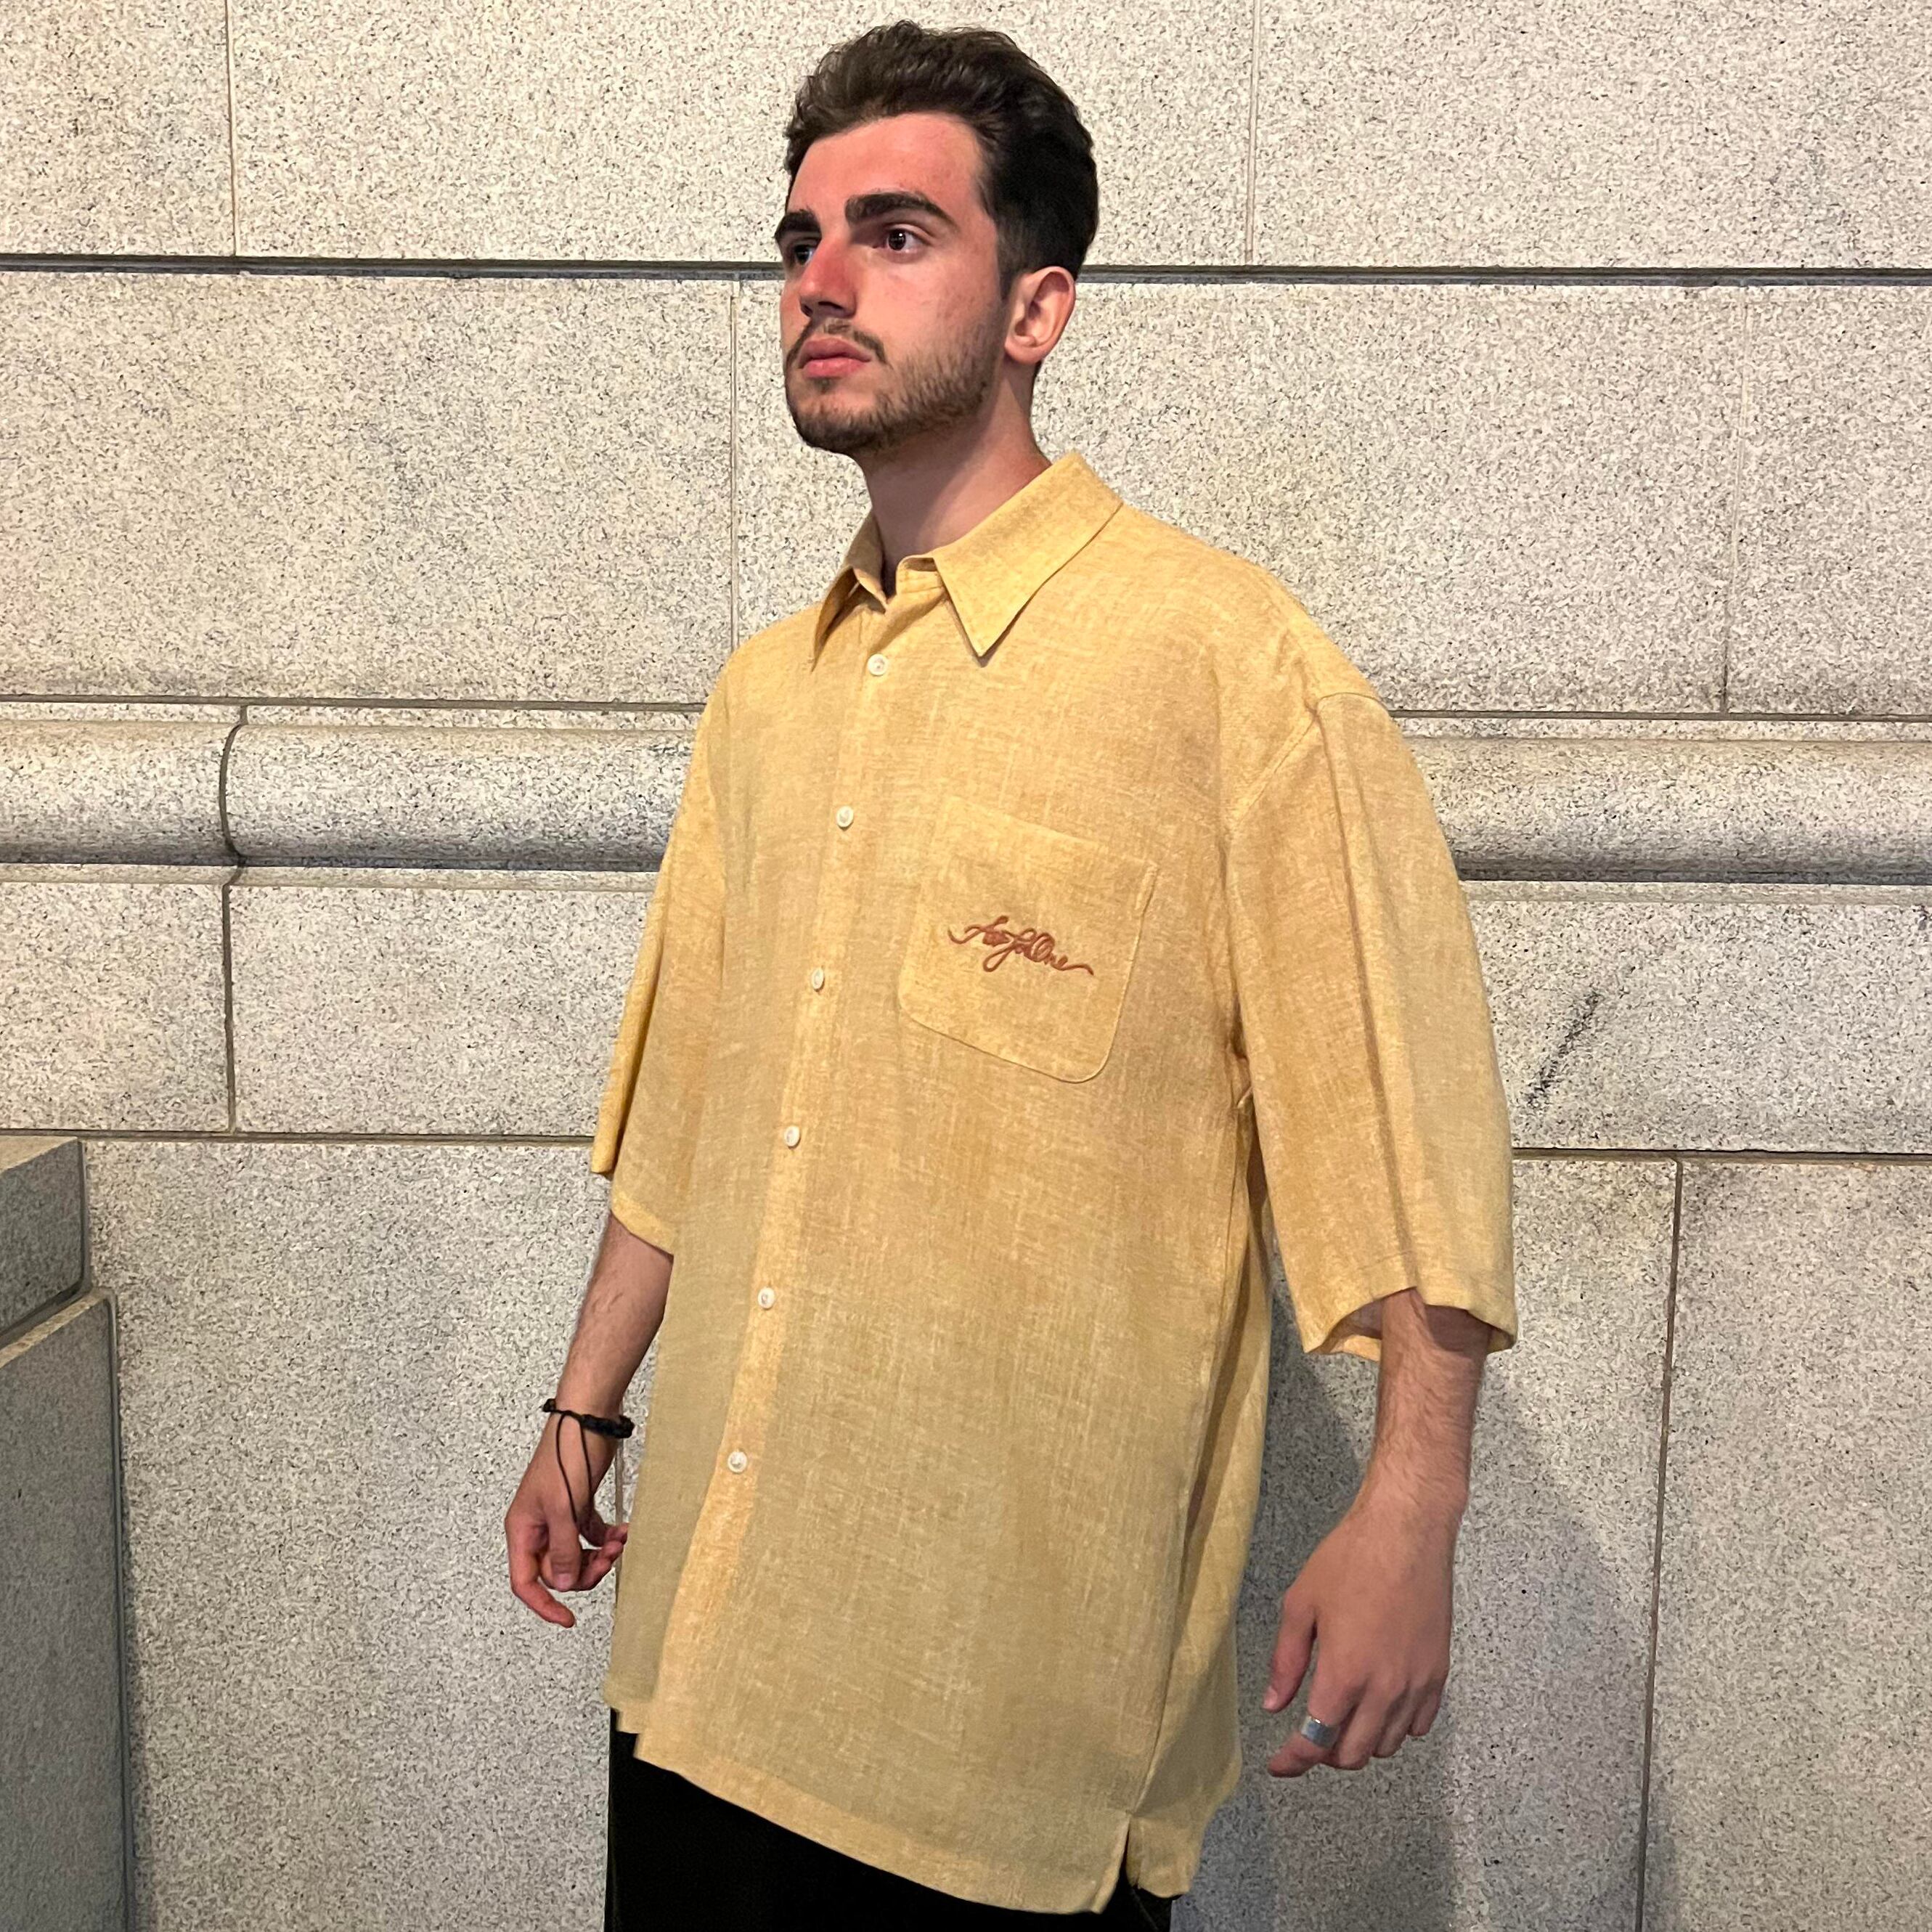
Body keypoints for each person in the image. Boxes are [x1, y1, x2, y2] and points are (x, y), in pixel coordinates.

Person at [505, 19, 1519, 1928]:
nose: (822, 279)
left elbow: (1393, 1103)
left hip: (994, 1733)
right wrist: (582, 1410)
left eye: (896, 233)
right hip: (703, 1653)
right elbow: (693, 1100)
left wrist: (1413, 1507)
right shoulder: (766, 696)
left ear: (1039, 305)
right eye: (800, 237)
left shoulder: (1222, 669)